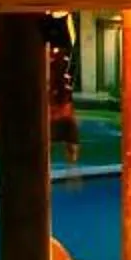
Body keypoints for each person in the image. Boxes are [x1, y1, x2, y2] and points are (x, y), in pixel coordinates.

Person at [48, 33, 82, 166]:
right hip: (56, 94)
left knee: (66, 123)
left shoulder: (60, 58)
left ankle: (72, 160)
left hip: (59, 94)